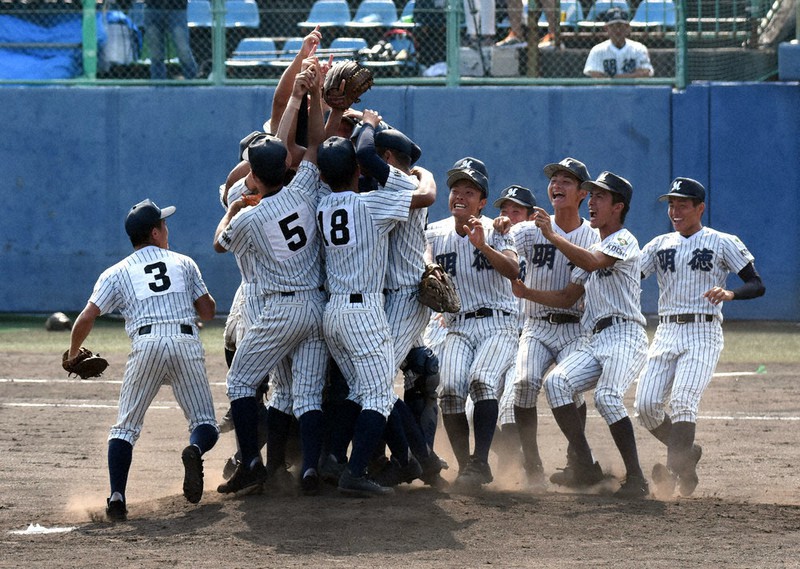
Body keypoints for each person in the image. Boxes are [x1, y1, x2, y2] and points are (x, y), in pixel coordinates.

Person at [214, 64, 331, 497]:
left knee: (241, 383)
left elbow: (219, 245)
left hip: (280, 308)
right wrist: (310, 96)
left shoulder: (251, 215)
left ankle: (251, 464)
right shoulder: (302, 188)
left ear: (252, 176)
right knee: (305, 395)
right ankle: (308, 470)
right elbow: (314, 144)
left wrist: (231, 211)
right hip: (316, 305)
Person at [67, 198, 218, 521]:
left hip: (146, 344)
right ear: (154, 232)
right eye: (164, 224)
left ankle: (118, 497)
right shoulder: (183, 263)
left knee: (125, 428)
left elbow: (87, 316)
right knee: (205, 424)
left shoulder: (116, 272)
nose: (167, 228)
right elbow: (208, 311)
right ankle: (194, 449)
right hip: (185, 342)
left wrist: (72, 353)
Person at [512, 171, 650, 498]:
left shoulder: (623, 239)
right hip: (595, 340)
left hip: (625, 335)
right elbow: (566, 297)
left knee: (606, 397)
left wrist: (552, 235)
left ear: (618, 206)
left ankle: (637, 478)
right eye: (592, 195)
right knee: (557, 384)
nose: (593, 202)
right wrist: (526, 293)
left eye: (600, 196)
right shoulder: (591, 246)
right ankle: (585, 465)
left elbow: (592, 260)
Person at [635, 177, 765, 498]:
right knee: (646, 406)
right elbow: (628, 277)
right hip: (666, 331)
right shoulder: (658, 245)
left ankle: (670, 474)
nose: (675, 210)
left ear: (700, 207)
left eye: (682, 204)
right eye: (671, 204)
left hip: (702, 332)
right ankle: (687, 455)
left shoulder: (722, 242)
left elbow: (756, 283)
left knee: (682, 402)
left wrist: (731, 293)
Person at [315, 132, 423, 497]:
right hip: (364, 312)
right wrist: (366, 127)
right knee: (378, 395)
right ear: (358, 168)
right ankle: (356, 472)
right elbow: (420, 196)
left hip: (333, 313)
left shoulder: (322, 203)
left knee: (361, 390)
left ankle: (333, 456)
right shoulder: (372, 205)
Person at [496, 159, 600, 491]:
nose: (556, 185)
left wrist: (528, 291)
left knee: (568, 388)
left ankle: (577, 461)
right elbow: (506, 245)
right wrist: (499, 227)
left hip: (575, 327)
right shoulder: (529, 229)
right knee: (524, 383)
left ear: (583, 193)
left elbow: (571, 297)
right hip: (536, 326)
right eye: (554, 179)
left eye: (566, 181)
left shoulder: (592, 236)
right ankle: (533, 464)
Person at [425, 157, 520, 490]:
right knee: (449, 390)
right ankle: (467, 465)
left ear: (482, 202)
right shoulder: (435, 233)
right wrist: (427, 266)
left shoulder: (496, 229)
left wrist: (484, 245)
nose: (459, 196)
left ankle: (480, 461)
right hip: (457, 325)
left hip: (499, 322)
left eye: (469, 191)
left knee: (482, 380)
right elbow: (423, 255)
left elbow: (512, 270)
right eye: (455, 189)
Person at [583, 7, 654, 78]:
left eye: (620, 26)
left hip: (633, 89)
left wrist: (616, 79)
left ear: (628, 28)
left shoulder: (639, 49)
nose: (617, 30)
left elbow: (645, 72)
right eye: (612, 26)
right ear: (606, 28)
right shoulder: (597, 50)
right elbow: (595, 74)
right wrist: (629, 77)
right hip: (606, 89)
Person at [144, 0, 198, 80]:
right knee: (156, 51)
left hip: (177, 8)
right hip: (153, 7)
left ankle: (192, 79)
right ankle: (158, 83)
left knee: (182, 47)